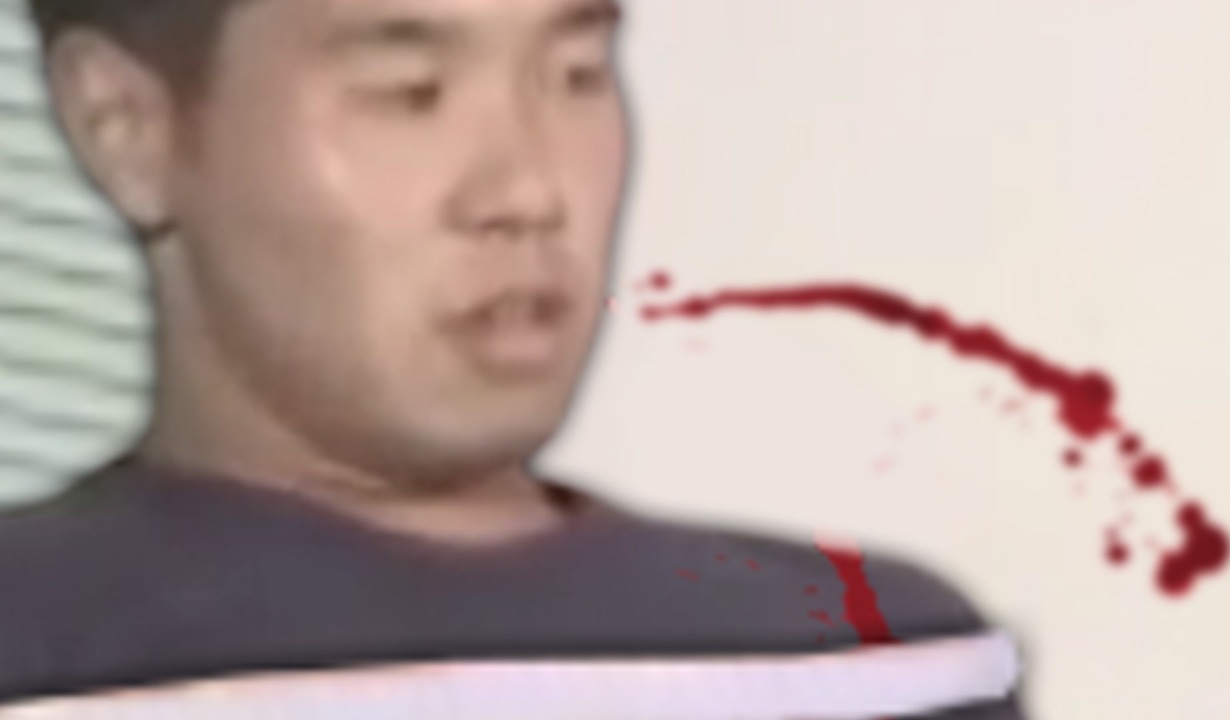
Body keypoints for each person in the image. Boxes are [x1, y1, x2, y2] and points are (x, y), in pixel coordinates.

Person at [1, 0, 1027, 716]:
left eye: (576, 75)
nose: (527, 191)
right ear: (126, 127)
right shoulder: (44, 654)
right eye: (411, 93)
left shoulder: (869, 662)